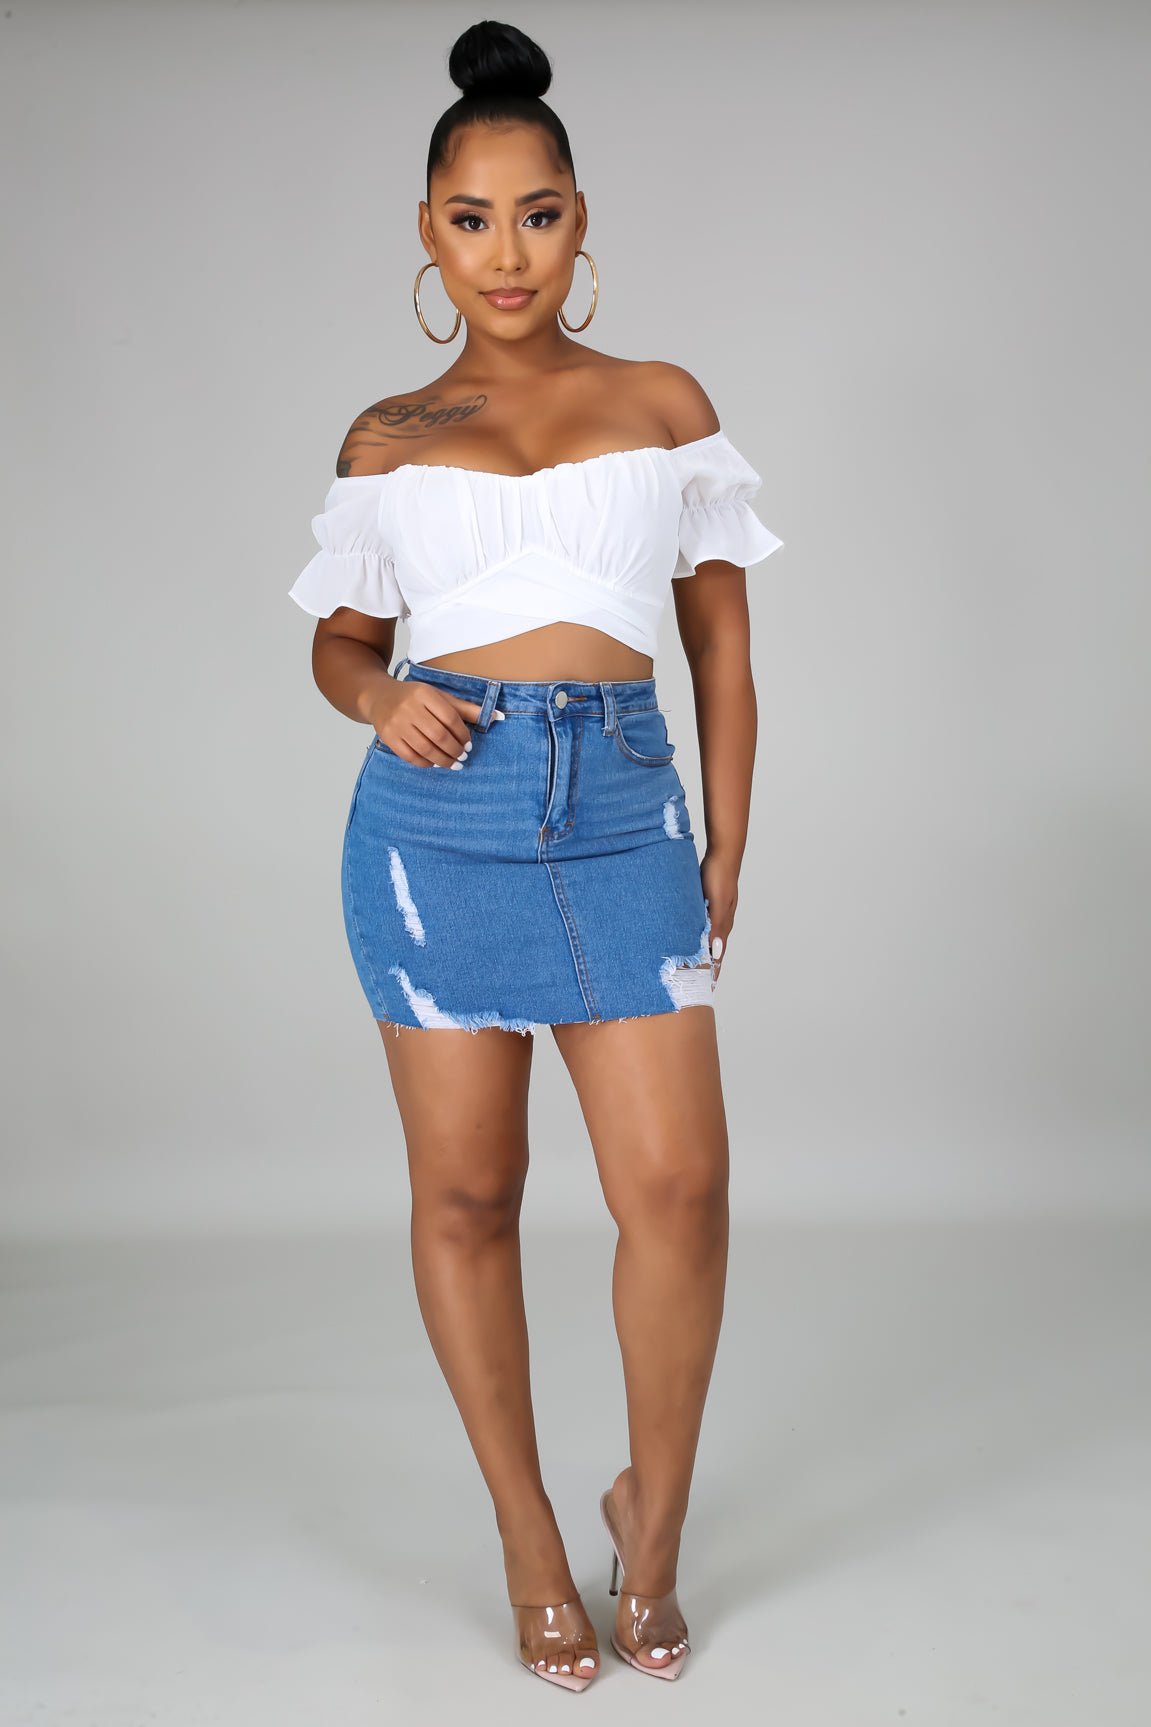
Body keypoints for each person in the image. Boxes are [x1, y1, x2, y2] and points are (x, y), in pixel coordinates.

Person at [288, 17, 783, 1693]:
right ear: (429, 238)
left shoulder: (664, 404)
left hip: (626, 810)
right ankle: (525, 1538)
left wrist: (726, 841)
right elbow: (339, 642)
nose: (509, 254)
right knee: (468, 1193)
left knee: (681, 1191)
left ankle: (654, 1521)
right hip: (438, 828)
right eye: (473, 219)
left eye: (540, 214)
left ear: (582, 221)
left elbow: (721, 647)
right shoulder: (386, 433)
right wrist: (379, 699)